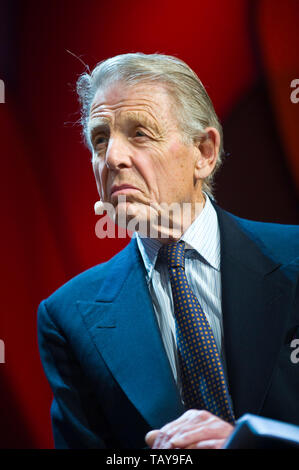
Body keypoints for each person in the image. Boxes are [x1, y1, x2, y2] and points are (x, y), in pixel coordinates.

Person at [37, 53, 299, 449]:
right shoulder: (69, 316)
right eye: (100, 138)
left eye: (139, 133)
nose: (112, 158)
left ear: (204, 153)